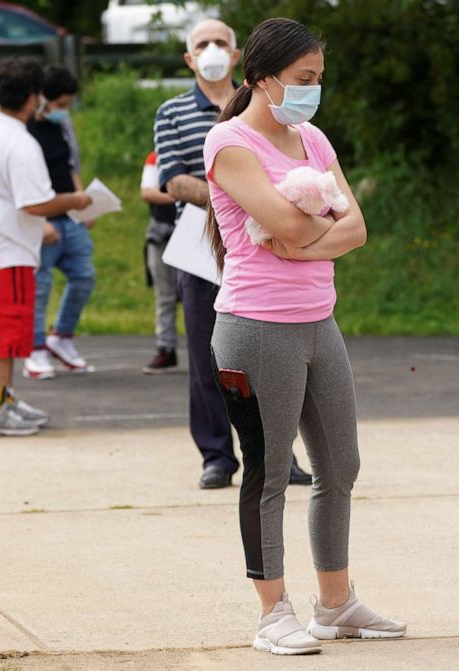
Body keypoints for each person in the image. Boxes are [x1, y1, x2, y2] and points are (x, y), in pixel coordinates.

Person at [204, 17, 406, 655]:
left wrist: (301, 243)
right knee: (267, 474)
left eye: (318, 79)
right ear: (263, 80)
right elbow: (291, 228)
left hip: (320, 322)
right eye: (303, 79)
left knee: (340, 466)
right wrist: (307, 236)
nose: (313, 91)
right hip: (256, 328)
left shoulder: (313, 139)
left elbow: (357, 229)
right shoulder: (229, 143)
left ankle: (336, 604)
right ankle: (272, 613)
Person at [154, 18, 312, 489]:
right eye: (202, 43)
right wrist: (238, 193)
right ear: (189, 57)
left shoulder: (270, 108)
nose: (212, 49)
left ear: (238, 52)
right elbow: (173, 180)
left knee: (275, 356)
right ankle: (217, 456)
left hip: (268, 246)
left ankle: (278, 454)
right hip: (202, 243)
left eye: (220, 41)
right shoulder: (173, 112)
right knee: (209, 356)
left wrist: (260, 199)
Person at [0, 58, 91, 437]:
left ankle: (4, 400)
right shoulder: (20, 142)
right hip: (1, 249)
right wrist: (75, 200)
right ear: (33, 98)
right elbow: (35, 204)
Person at [23, 65, 97, 380]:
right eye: (61, 104)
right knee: (39, 285)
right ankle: (35, 348)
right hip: (41, 219)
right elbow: (20, 183)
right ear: (42, 98)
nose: (63, 111)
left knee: (84, 276)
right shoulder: (22, 129)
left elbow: (71, 166)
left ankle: (61, 337)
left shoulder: (61, 125)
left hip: (69, 215)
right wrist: (38, 222)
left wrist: (83, 203)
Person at [140, 150, 180, 374]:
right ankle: (166, 347)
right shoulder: (156, 157)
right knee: (165, 296)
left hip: (195, 230)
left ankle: (207, 352)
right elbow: (147, 192)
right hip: (163, 232)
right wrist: (183, 194)